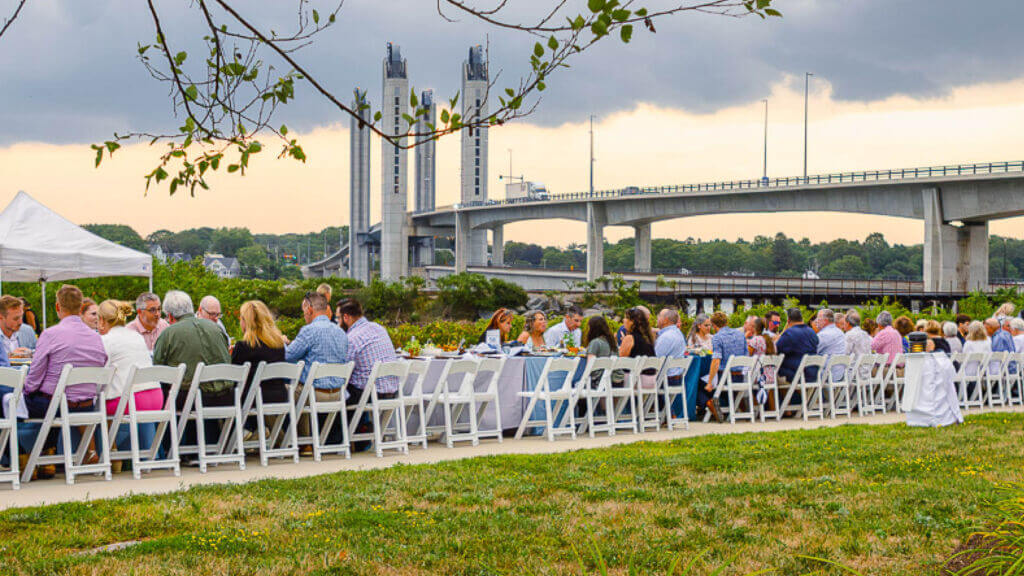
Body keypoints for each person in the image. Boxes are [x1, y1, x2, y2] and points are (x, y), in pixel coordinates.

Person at [23, 285, 107, 464]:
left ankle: (22, 457)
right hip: (86, 405)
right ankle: (49, 454)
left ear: (57, 307)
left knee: (15, 400)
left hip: (56, 405)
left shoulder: (50, 334)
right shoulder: (96, 337)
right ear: (80, 307)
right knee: (47, 398)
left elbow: (34, 378)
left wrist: (26, 389)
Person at [152, 290, 231, 464]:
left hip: (192, 398)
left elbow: (157, 369)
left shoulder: (169, 334)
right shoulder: (217, 329)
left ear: (170, 316)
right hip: (225, 396)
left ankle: (167, 450)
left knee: (163, 393)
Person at [97, 299, 164, 457]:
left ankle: (103, 456)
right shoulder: (136, 336)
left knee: (95, 407)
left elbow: (101, 377)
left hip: (131, 401)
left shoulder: (105, 340)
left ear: (101, 320)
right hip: (155, 397)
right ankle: (149, 456)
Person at [285, 292, 349, 450]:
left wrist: (283, 342)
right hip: (338, 393)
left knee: (287, 390)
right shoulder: (341, 332)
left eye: (303, 311)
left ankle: (302, 442)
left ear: (309, 309)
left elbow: (287, 356)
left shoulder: (308, 331)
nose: (304, 315)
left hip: (315, 393)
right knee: (301, 387)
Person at [233, 300, 289, 439]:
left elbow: (235, 378)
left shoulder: (243, 346)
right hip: (279, 396)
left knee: (229, 395)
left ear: (245, 321)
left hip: (254, 399)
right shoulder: (278, 345)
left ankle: (245, 433)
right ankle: (261, 431)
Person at [702, 312, 747, 422]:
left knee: (699, 384)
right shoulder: (740, 334)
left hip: (726, 378)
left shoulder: (717, 337)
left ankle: (711, 404)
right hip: (741, 376)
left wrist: (709, 382)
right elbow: (746, 355)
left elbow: (716, 361)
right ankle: (726, 406)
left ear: (713, 325)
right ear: (727, 322)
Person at [776, 307, 819, 387]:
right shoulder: (812, 332)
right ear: (802, 319)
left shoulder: (789, 333)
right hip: (813, 374)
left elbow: (776, 351)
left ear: (788, 321)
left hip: (796, 375)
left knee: (770, 377)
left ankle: (784, 399)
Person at [655, 308, 687, 381]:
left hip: (665, 380)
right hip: (677, 378)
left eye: (659, 316)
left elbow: (655, 360)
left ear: (665, 320)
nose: (657, 318)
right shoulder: (678, 333)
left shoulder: (666, 336)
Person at [0, 295, 35, 359]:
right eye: (16, 319)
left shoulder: (28, 330)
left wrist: (30, 353)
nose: (20, 322)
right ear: (1, 317)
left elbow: (40, 354)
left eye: (21, 316)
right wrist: (10, 356)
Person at [815, 308, 846, 381]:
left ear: (825, 320)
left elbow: (811, 352)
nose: (816, 321)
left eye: (818, 318)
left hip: (827, 375)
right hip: (840, 374)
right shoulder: (840, 333)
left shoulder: (823, 335)